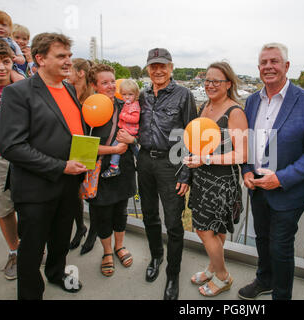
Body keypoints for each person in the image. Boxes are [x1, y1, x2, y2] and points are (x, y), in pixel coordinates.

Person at [0, 32, 87, 300]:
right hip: (36, 188)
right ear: (40, 58)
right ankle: (31, 293)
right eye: (61, 56)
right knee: (32, 248)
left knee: (61, 238)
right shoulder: (18, 92)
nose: (68, 61)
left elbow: (69, 131)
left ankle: (56, 273)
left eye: (69, 56)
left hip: (70, 183)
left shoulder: (69, 88)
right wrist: (61, 166)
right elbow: (12, 147)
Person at [238, 43, 304, 300]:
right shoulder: (252, 101)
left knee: (281, 247)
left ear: (286, 66)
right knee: (262, 240)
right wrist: (246, 171)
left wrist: (281, 179)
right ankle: (265, 280)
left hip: (288, 190)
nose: (268, 67)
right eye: (264, 63)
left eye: (274, 61)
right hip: (258, 188)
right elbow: (245, 142)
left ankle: (282, 295)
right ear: (258, 69)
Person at [117, 48, 197, 300]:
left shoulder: (184, 95)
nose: (158, 70)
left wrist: (186, 175)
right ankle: (156, 256)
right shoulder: (141, 96)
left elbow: (191, 136)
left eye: (163, 66)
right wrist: (133, 139)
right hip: (145, 162)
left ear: (171, 67)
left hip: (171, 165)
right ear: (148, 69)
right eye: (153, 66)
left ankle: (173, 273)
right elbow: (135, 126)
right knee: (149, 215)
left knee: (174, 223)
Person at [183, 61, 248, 297]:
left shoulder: (235, 112)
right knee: (216, 229)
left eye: (216, 81)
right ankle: (213, 267)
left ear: (228, 83)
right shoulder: (206, 107)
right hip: (202, 177)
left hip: (221, 182)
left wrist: (205, 160)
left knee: (203, 229)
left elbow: (242, 153)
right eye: (207, 80)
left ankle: (223, 277)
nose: (210, 85)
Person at [87, 63, 136, 277]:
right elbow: (81, 147)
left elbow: (138, 130)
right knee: (102, 213)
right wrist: (113, 148)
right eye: (103, 82)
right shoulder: (87, 108)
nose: (109, 86)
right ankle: (107, 251)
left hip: (123, 168)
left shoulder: (124, 105)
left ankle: (119, 245)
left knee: (120, 210)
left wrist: (132, 139)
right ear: (94, 85)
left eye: (111, 81)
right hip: (99, 170)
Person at [67, 58, 98, 254]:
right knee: (73, 194)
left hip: (89, 148)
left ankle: (93, 232)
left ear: (80, 73)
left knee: (91, 194)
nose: (65, 72)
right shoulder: (67, 93)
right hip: (70, 149)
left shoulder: (92, 97)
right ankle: (80, 227)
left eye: (69, 69)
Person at [0, 39, 19, 281]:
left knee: (29, 205)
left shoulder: (21, 89)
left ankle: (33, 247)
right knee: (5, 208)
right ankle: (14, 251)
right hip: (0, 159)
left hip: (25, 157)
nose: (1, 68)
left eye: (5, 62)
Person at [101, 79, 140, 178]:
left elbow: (136, 119)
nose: (127, 97)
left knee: (116, 144)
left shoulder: (134, 106)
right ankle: (140, 161)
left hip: (129, 130)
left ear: (136, 95)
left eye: (130, 94)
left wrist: (123, 116)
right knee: (133, 147)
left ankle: (114, 166)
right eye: (124, 94)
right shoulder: (127, 104)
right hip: (127, 129)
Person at [0, 10, 25, 82]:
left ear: (10, 29)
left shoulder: (12, 43)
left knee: (19, 79)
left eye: (4, 25)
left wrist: (16, 58)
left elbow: (22, 59)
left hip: (10, 68)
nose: (0, 27)